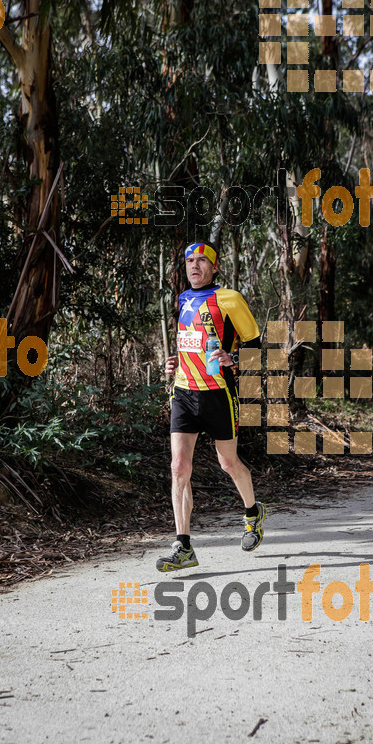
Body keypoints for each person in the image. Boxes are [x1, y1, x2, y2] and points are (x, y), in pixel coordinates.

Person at [156, 241, 265, 571]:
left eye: (202, 260)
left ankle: (252, 513)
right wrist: (175, 363)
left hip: (219, 393)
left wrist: (233, 358)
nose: (195, 265)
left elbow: (256, 345)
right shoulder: (183, 299)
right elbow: (192, 342)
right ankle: (183, 546)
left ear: (214, 267)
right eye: (190, 260)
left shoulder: (229, 298)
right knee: (179, 468)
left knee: (228, 463)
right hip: (184, 393)